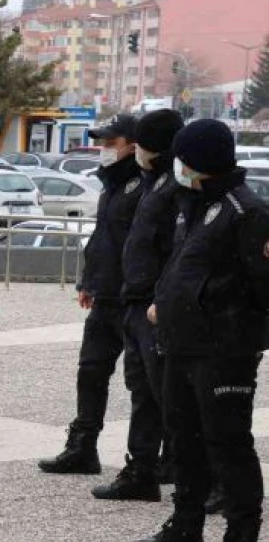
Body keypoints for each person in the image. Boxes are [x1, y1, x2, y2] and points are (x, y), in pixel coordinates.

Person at [131, 119, 269, 542]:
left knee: (228, 446)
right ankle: (184, 531)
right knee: (184, 442)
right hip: (180, 343)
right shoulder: (193, 203)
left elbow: (261, 289)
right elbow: (184, 267)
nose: (178, 166)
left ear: (200, 160)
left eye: (183, 158)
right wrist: (164, 305)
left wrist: (230, 328)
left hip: (224, 351)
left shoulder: (245, 212)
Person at [39, 114, 146, 475]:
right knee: (91, 372)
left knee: (143, 384)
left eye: (110, 143)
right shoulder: (112, 185)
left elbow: (142, 248)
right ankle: (84, 447)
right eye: (102, 143)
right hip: (105, 297)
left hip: (132, 299)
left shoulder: (143, 185)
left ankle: (150, 461)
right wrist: (88, 281)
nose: (103, 150)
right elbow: (103, 240)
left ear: (132, 145)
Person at [88, 109, 185, 501]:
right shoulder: (152, 182)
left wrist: (161, 299)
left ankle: (194, 473)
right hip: (134, 298)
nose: (136, 151)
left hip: (154, 305)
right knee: (142, 391)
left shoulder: (174, 188)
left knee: (169, 396)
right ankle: (141, 469)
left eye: (141, 143)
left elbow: (177, 253)